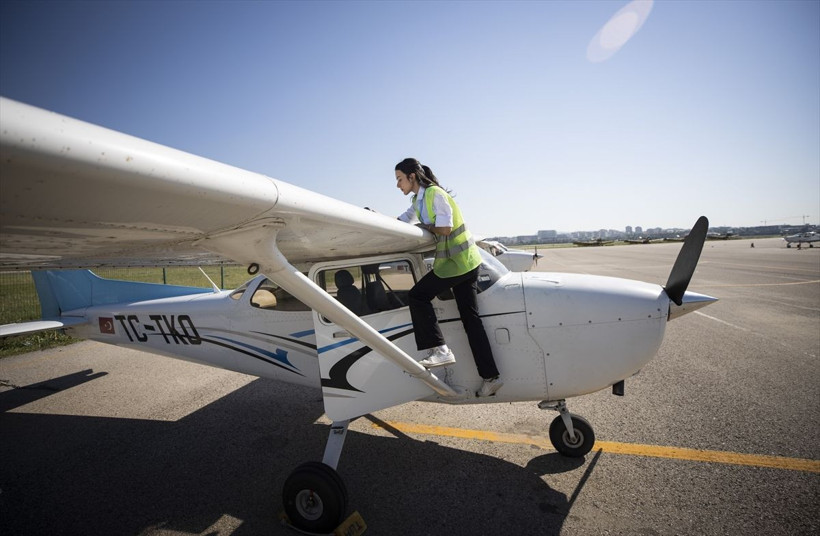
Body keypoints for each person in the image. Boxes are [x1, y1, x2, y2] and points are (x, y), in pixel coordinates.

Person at [395, 158, 503, 397]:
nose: (398, 184)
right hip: (465, 263)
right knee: (470, 320)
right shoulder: (418, 200)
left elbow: (444, 228)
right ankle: (491, 377)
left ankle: (440, 349)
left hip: (457, 264)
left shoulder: (435, 194)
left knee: (418, 296)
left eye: (399, 179)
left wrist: (426, 226)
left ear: (412, 176)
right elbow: (404, 218)